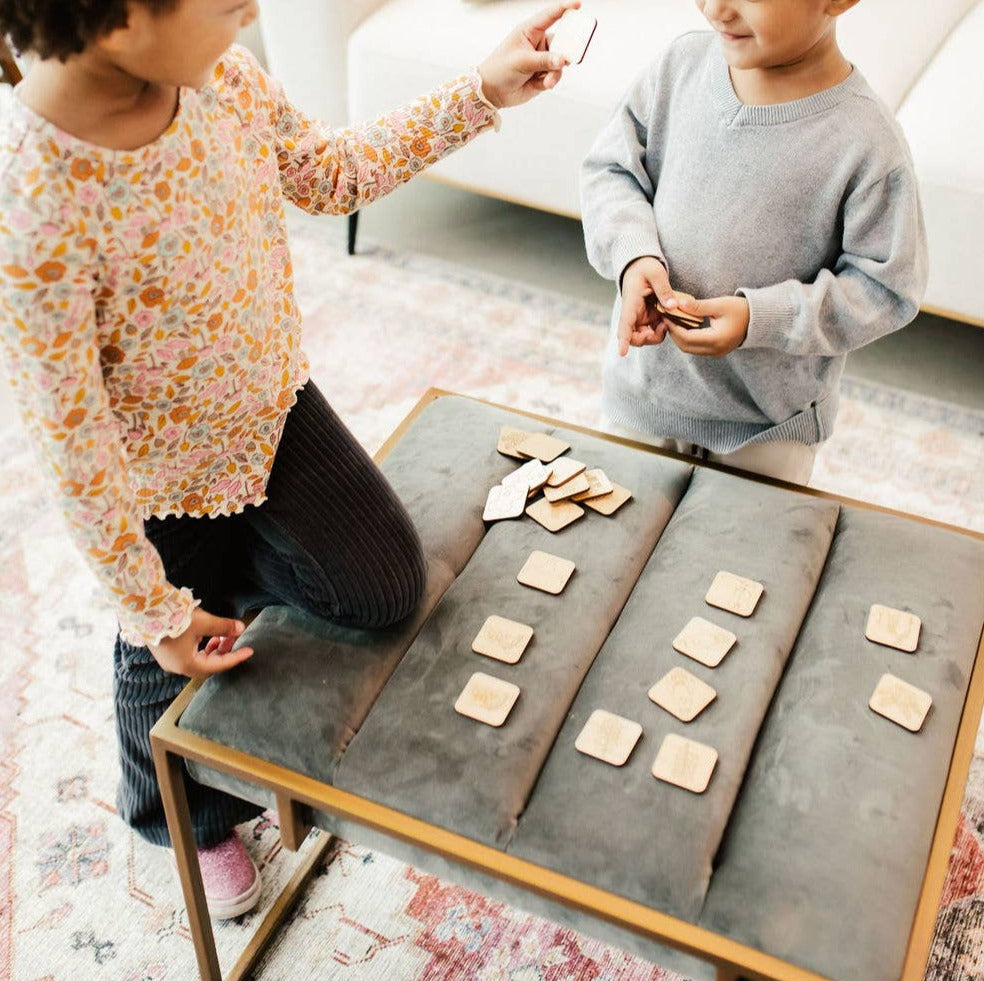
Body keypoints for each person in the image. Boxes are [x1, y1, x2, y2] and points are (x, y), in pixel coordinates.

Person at [0, 0, 578, 918]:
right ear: (110, 16)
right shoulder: (32, 197)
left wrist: (480, 91)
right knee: (167, 655)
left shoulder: (217, 75)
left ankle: (230, 577)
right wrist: (151, 609)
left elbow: (328, 172)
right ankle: (177, 821)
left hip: (273, 412)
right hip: (160, 488)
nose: (255, 11)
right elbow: (74, 448)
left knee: (388, 589)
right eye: (227, 2)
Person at [580, 0, 928, 485]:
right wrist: (633, 255)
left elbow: (885, 289)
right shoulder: (678, 68)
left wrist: (759, 319)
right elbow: (611, 171)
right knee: (617, 538)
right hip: (643, 398)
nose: (716, 8)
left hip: (768, 431)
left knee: (740, 557)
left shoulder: (868, 143)